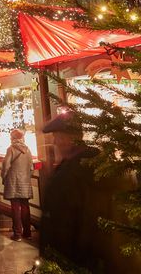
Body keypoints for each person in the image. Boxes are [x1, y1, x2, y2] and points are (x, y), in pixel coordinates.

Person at [40, 111, 141, 273]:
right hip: (118, 262)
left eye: (56, 137)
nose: (54, 142)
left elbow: (59, 231)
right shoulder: (111, 168)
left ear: (67, 139)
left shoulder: (65, 178)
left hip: (81, 263)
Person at [1, 129, 33, 241]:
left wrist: (4, 178)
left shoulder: (11, 149)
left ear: (13, 138)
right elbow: (31, 168)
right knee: (25, 207)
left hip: (13, 182)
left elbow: (6, 166)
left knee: (15, 208)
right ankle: (27, 233)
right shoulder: (28, 150)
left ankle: (17, 234)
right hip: (25, 182)